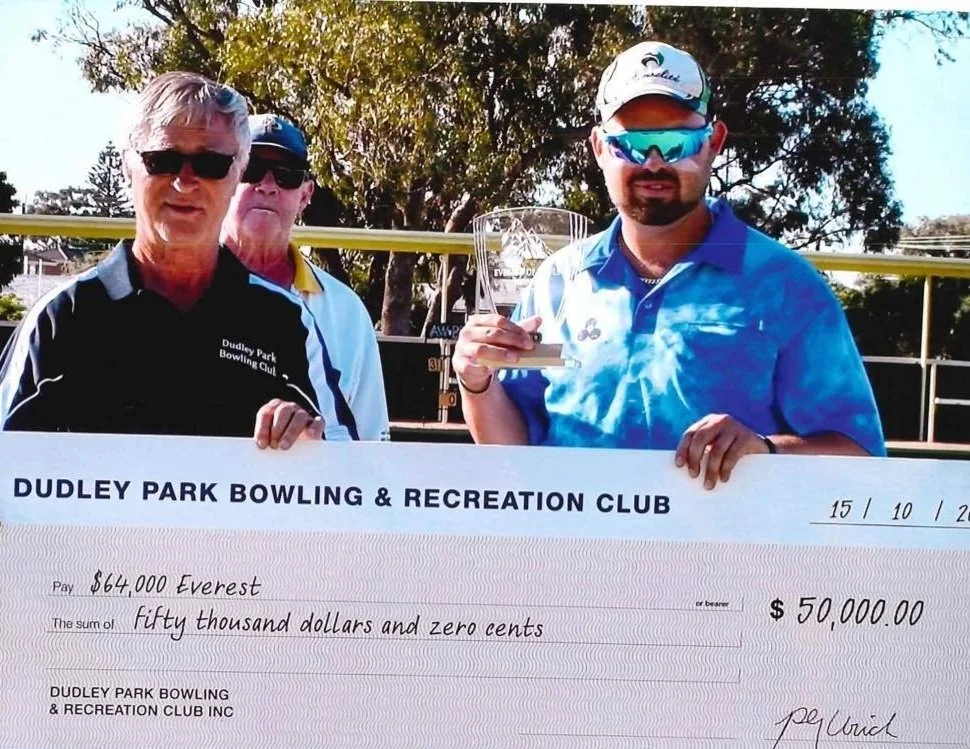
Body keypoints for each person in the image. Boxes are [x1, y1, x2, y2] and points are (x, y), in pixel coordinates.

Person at [452, 41, 885, 488]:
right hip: (578, 554)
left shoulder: (786, 284)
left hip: (724, 557)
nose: (654, 162)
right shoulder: (559, 281)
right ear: (600, 149)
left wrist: (765, 449)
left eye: (676, 142)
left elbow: (860, 454)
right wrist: (476, 380)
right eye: (632, 145)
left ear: (714, 143)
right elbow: (513, 449)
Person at [0, 72, 355, 448]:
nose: (185, 182)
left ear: (237, 175)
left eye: (211, 164)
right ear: (127, 167)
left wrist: (312, 445)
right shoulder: (60, 319)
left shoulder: (286, 320)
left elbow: (349, 468)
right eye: (163, 160)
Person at [221, 114, 389, 441]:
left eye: (287, 176)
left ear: (305, 195)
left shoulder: (347, 311)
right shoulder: (185, 289)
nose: (267, 186)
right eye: (251, 169)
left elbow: (372, 443)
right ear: (225, 180)